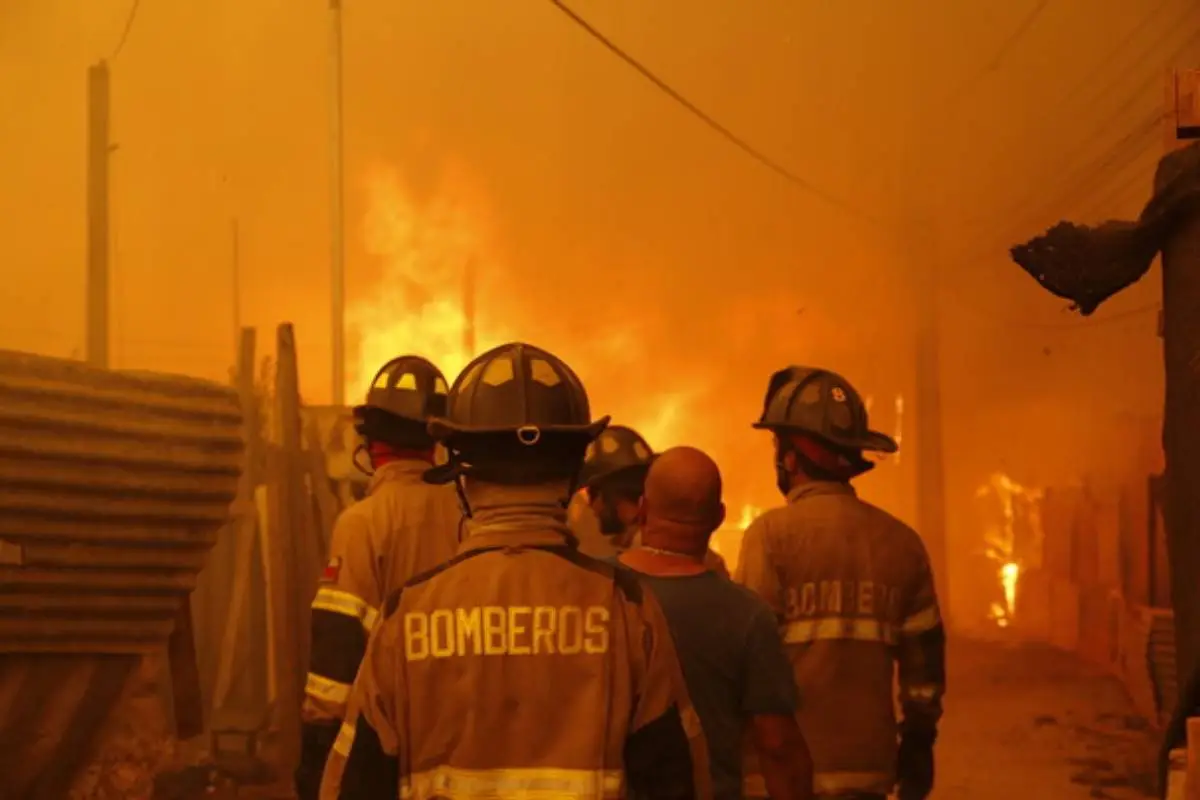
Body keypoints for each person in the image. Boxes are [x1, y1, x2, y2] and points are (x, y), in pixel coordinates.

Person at [326, 342, 712, 800]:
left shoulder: (406, 616)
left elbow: (355, 787)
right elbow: (674, 781)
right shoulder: (626, 608)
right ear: (572, 475)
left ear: (463, 478)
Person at [736, 366, 946, 800]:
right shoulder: (902, 543)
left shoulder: (770, 536)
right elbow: (924, 661)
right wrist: (920, 742)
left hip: (784, 772)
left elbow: (748, 661)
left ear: (792, 457)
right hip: (868, 769)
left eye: (779, 445)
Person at [295, 355, 463, 800]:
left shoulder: (363, 523)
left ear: (371, 443)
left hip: (385, 740)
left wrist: (317, 743)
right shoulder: (470, 513)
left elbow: (339, 640)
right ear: (437, 440)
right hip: (465, 734)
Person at [615, 446, 814, 800]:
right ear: (718, 517)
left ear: (643, 510)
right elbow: (777, 744)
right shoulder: (747, 615)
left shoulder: (595, 588)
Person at [575, 425, 730, 577]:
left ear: (611, 494)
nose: (591, 505)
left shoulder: (623, 571)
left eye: (592, 493)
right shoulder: (702, 559)